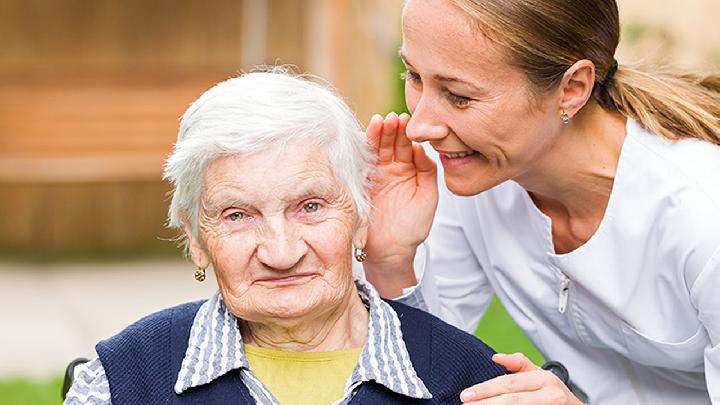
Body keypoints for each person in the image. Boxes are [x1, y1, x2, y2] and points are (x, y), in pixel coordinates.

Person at [63, 69, 506, 405]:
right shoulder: (121, 379)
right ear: (196, 238)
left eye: (310, 207)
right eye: (238, 215)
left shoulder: (477, 384)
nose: (281, 252)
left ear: (362, 214)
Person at [363, 0, 720, 404]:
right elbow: (426, 368)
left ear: (571, 89)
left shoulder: (704, 216)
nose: (421, 125)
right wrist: (392, 261)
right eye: (413, 75)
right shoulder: (466, 169)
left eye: (459, 96)